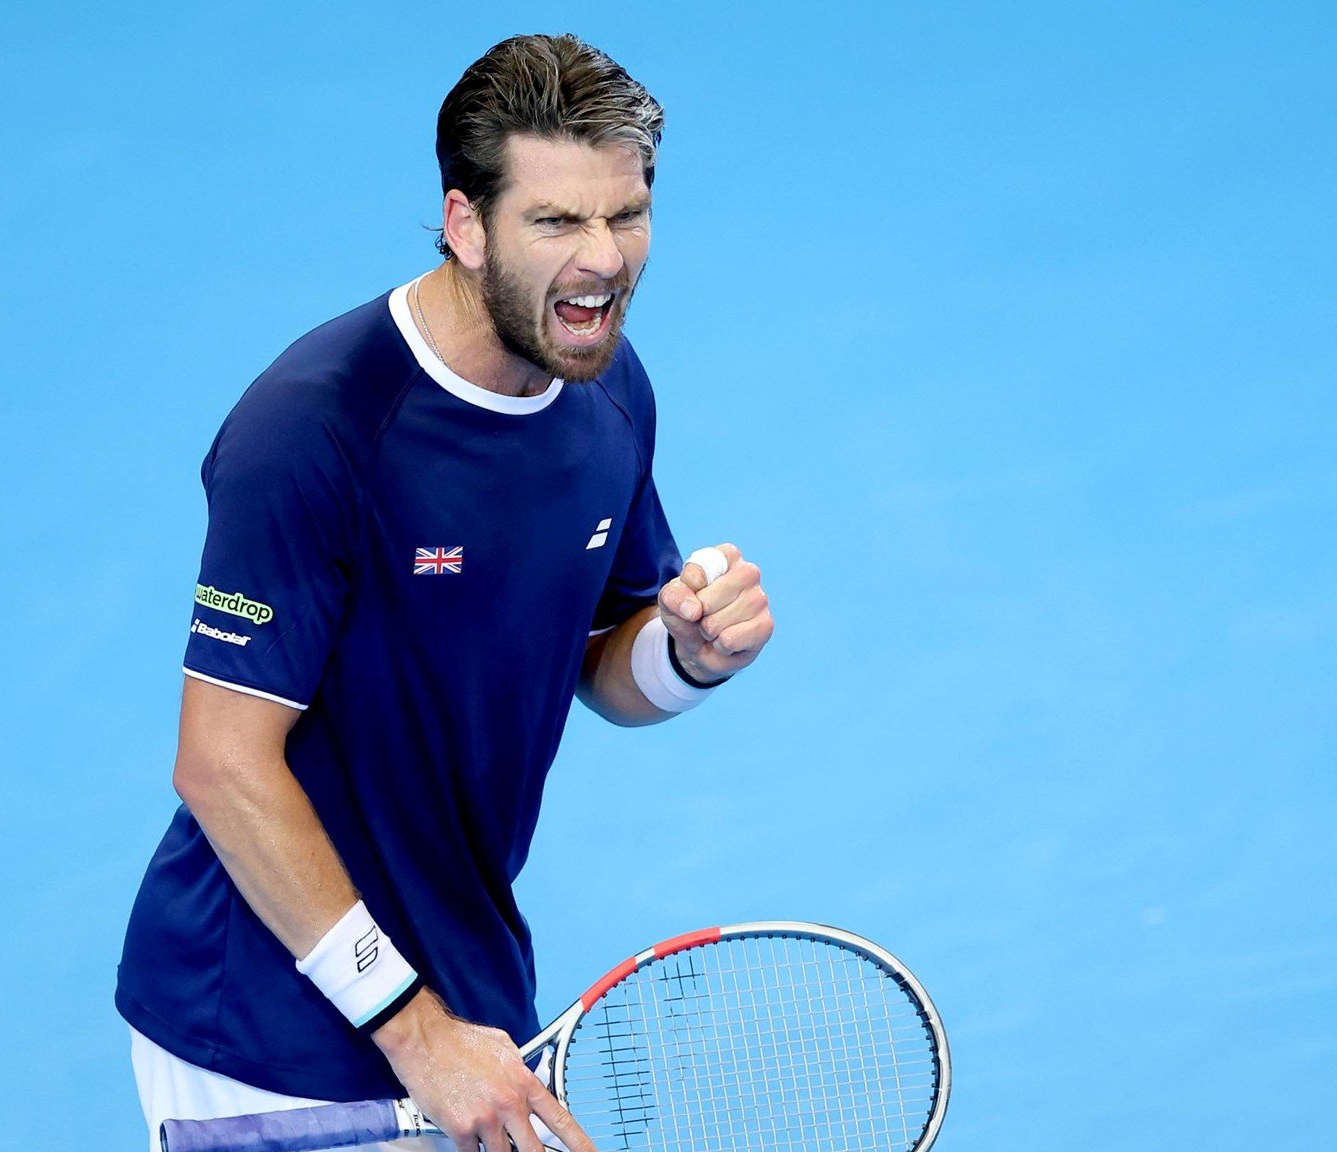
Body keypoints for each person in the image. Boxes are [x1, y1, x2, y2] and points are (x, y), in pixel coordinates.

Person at [115, 33, 775, 1152]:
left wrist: (685, 657)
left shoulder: (606, 389)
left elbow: (601, 659)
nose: (603, 260)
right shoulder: (315, 428)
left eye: (626, 214)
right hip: (266, 1029)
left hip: (468, 991)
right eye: (556, 221)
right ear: (465, 225)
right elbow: (220, 764)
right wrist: (414, 1031)